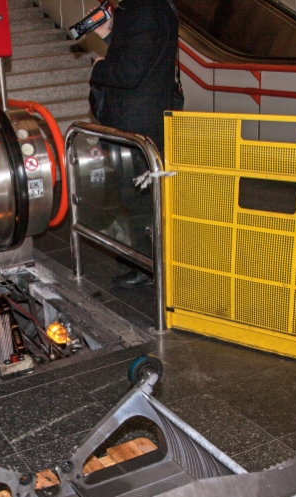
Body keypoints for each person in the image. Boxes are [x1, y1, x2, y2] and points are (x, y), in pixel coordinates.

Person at [89, 0, 179, 288]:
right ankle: (148, 260)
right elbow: (142, 53)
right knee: (141, 196)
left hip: (136, 123)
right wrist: (109, 35)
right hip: (143, 120)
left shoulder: (143, 10)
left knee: (137, 197)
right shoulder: (155, 7)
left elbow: (129, 72)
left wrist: (99, 68)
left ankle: (148, 266)